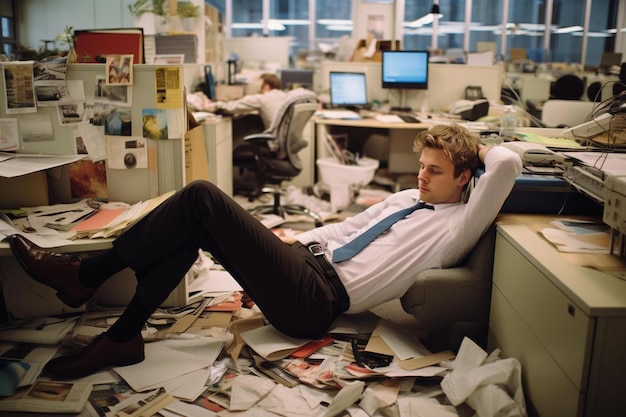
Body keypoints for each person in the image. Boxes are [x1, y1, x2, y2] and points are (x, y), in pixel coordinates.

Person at [8, 124, 522, 377]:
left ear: (464, 177)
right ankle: (122, 336)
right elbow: (350, 226)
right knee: (192, 227)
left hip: (316, 301)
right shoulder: (410, 196)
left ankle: (86, 275)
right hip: (305, 264)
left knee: (201, 198)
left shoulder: (459, 223)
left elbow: (507, 164)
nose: (422, 177)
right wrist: (290, 243)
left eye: (436, 170)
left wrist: (471, 148)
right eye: (423, 166)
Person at [188, 73, 287, 130]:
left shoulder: (263, 98)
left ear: (266, 86)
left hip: (274, 143)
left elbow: (232, 107)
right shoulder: (284, 96)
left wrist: (211, 105)